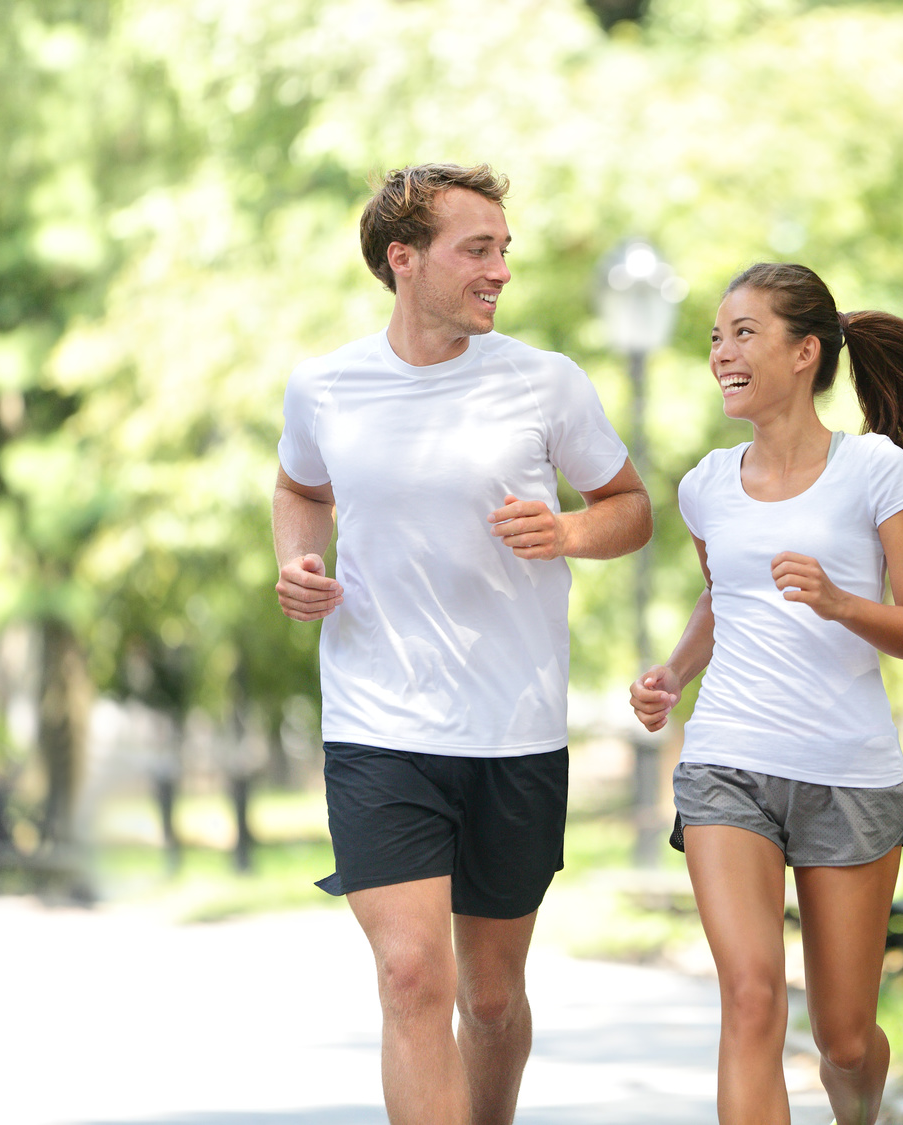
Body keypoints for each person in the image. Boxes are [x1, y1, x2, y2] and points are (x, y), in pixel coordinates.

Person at [629, 263, 903, 1125]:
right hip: (728, 764)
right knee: (750, 998)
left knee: (846, 1041)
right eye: (715, 335)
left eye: (743, 332)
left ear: (804, 351)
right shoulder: (706, 485)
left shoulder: (873, 470)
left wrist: (838, 601)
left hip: (849, 774)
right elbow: (726, 599)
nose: (721, 352)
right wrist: (674, 674)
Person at [272, 163, 651, 1125]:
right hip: (377, 722)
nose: (501, 271)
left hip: (513, 727)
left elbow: (631, 509)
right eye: (477, 250)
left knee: (488, 997)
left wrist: (568, 531)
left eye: (503, 250)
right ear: (404, 259)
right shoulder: (325, 386)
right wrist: (300, 563)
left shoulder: (545, 381)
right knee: (410, 978)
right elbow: (299, 492)